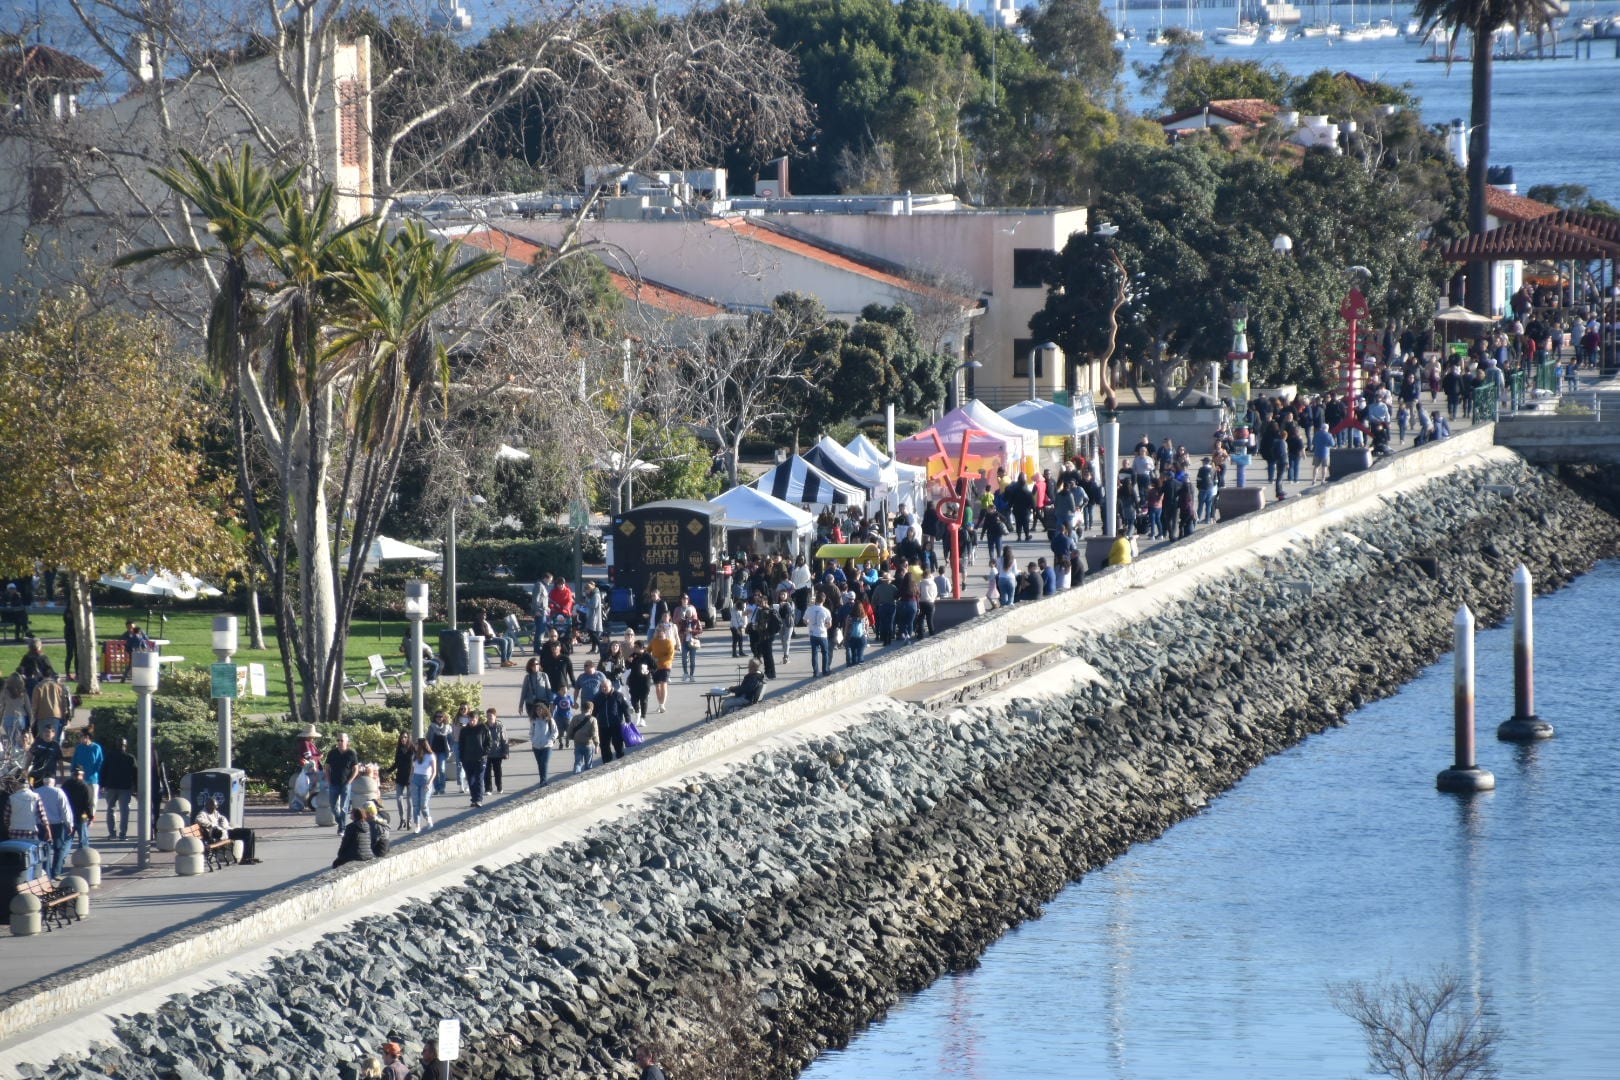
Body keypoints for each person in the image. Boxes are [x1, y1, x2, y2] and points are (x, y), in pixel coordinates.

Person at [100, 736, 136, 840]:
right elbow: (135, 773)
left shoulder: (109, 756)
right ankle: (123, 834)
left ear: (116, 745)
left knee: (111, 809)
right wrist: (136, 788)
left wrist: (102, 784)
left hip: (111, 786)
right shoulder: (130, 758)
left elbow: (103, 770)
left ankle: (112, 834)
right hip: (125, 787)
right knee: (124, 811)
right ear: (125, 745)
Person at [325, 732, 361, 834]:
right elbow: (327, 768)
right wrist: (328, 781)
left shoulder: (351, 753)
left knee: (343, 808)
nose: (340, 742)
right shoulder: (332, 753)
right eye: (338, 740)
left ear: (347, 742)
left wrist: (349, 782)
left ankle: (342, 828)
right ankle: (341, 822)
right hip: (333, 783)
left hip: (345, 784)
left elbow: (356, 769)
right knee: (333, 806)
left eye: (342, 740)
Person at [37, 776, 73, 878]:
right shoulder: (58, 792)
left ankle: (45, 873)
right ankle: (56, 872)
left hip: (41, 824)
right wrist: (69, 824)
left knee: (44, 849)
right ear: (53, 783)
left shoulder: (36, 792)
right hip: (57, 824)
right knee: (59, 849)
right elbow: (65, 809)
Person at [459, 711, 491, 808]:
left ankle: (478, 799)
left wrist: (484, 753)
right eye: (470, 719)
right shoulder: (464, 730)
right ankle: (473, 799)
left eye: (473, 720)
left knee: (479, 779)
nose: (471, 721)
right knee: (470, 780)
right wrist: (462, 757)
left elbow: (489, 742)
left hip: (480, 759)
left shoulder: (483, 728)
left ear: (477, 719)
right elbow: (461, 745)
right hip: (467, 759)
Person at [7, 779, 50, 849]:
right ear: (29, 786)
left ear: (17, 786)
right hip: (31, 831)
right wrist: (48, 830)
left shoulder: (11, 798)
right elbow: (43, 816)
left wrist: (9, 826)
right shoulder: (36, 796)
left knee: (16, 852)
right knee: (31, 852)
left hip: (14, 832)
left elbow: (7, 817)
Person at [647, 620, 677, 713]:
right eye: (657, 631)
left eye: (660, 631)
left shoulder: (669, 642)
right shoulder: (654, 641)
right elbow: (647, 651)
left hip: (665, 666)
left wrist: (659, 659)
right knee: (657, 686)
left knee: (663, 684)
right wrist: (650, 658)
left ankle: (662, 704)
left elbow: (670, 656)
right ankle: (660, 704)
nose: (659, 633)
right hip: (655, 667)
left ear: (664, 632)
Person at [408, 737, 436, 832]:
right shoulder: (415, 756)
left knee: (423, 805)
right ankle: (417, 825)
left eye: (417, 744)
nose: (415, 746)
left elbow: (434, 771)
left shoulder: (430, 756)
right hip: (416, 779)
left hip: (426, 779)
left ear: (421, 746)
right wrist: (410, 780)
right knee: (415, 805)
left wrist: (429, 782)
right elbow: (412, 769)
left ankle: (428, 818)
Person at [64, 766, 94, 853]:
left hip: (68, 815)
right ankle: (84, 860)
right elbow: (88, 804)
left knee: (67, 840)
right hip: (82, 815)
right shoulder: (85, 786)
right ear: (82, 774)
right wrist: (90, 817)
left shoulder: (66, 785)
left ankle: (62, 860)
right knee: (83, 839)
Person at [529, 699, 556, 787]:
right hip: (536, 746)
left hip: (547, 745)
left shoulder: (549, 720)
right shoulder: (533, 721)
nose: (539, 712)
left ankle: (544, 781)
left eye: (541, 710)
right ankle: (542, 780)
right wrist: (533, 740)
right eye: (537, 710)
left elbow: (555, 731)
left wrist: (551, 740)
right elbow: (531, 732)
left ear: (544, 710)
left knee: (544, 763)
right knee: (540, 764)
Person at [804, 593, 832, 676]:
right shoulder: (826, 611)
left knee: (814, 653)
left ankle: (815, 672)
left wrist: (809, 624)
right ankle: (825, 670)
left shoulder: (809, 609)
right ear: (824, 600)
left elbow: (805, 620)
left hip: (813, 633)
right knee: (825, 653)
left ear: (816, 599)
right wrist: (825, 626)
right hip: (822, 634)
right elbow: (829, 624)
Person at [427, 712, 455, 796]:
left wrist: (450, 749)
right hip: (433, 751)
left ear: (444, 718)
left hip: (443, 751)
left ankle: (442, 788)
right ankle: (437, 788)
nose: (439, 718)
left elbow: (451, 739)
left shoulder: (447, 727)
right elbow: (428, 738)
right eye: (437, 716)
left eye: (441, 716)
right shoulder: (431, 727)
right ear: (435, 718)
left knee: (442, 770)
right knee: (434, 770)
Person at [482, 707, 508, 794]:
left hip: (497, 753)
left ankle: (499, 787)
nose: (489, 717)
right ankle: (488, 789)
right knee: (487, 772)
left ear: (495, 716)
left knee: (498, 772)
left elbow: (504, 740)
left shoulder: (500, 727)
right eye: (488, 716)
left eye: (491, 716)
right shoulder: (483, 727)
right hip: (487, 754)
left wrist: (505, 752)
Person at [568, 698, 598, 773]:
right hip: (588, 744)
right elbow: (595, 733)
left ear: (581, 709)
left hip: (577, 743)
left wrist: (568, 738)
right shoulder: (593, 719)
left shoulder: (575, 718)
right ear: (591, 709)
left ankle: (576, 775)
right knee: (588, 764)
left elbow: (570, 729)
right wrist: (597, 745)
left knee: (578, 762)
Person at [390, 732, 414, 826]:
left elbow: (417, 762)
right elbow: (396, 764)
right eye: (402, 737)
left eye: (405, 737)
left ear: (408, 738)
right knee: (399, 799)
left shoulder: (412, 749)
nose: (403, 739)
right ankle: (402, 819)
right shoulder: (399, 749)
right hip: (400, 777)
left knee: (409, 800)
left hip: (410, 778)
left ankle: (409, 820)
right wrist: (387, 771)